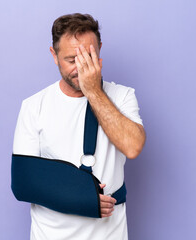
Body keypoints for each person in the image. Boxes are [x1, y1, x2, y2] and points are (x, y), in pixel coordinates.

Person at [12, 13, 146, 240]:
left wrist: (93, 90)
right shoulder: (34, 106)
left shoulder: (123, 96)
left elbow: (133, 147)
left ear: (100, 49)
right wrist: (83, 199)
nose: (81, 68)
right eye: (72, 60)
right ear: (54, 55)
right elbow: (23, 184)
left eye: (89, 57)